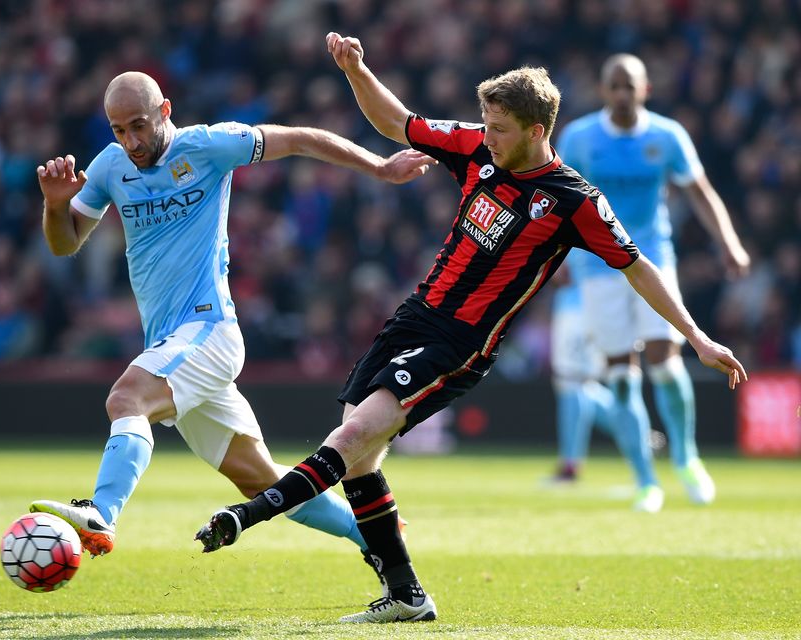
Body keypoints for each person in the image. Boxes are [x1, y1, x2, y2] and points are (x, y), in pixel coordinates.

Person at [194, 33, 748, 624]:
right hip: (414, 316)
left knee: (355, 435)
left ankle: (247, 516)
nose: (487, 136)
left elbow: (639, 267)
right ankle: (406, 595)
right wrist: (357, 70)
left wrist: (697, 337)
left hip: (461, 343)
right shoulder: (476, 148)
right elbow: (396, 122)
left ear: (537, 130)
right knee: (357, 453)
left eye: (500, 128)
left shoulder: (573, 200)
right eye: (485, 123)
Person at [29, 71, 437, 591]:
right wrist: (55, 203)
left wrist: (379, 166)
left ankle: (101, 513)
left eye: (138, 126)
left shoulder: (207, 147)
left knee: (126, 399)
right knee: (262, 479)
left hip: (209, 328)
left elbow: (301, 138)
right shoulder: (110, 166)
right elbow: (64, 244)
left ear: (165, 111)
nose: (130, 142)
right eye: (118, 130)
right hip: (169, 343)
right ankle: (377, 537)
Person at [556, 54, 751, 511]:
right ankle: (646, 480)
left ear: (645, 90)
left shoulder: (667, 136)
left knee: (666, 358)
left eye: (631, 86)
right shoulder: (580, 138)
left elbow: (700, 191)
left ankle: (686, 457)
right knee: (621, 377)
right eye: (615, 86)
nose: (623, 93)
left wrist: (729, 241)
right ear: (604, 91)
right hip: (596, 267)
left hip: (652, 259)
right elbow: (557, 200)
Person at [546, 264, 617, 484]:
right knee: (581, 385)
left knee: (572, 381)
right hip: (582, 305)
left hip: (579, 309)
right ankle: (634, 430)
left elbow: (561, 272)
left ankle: (570, 465)